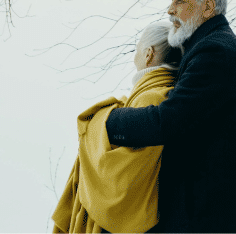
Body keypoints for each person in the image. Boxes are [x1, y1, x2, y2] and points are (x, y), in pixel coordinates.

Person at [106, 0, 236, 233]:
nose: (170, 10)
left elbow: (168, 121)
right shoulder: (210, 47)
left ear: (207, 7)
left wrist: (109, 120)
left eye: (179, 1)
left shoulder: (215, 52)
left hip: (207, 222)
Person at [52, 22, 182, 234]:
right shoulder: (164, 95)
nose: (135, 56)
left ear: (149, 54)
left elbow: (123, 180)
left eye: (137, 48)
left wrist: (98, 122)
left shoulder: (153, 97)